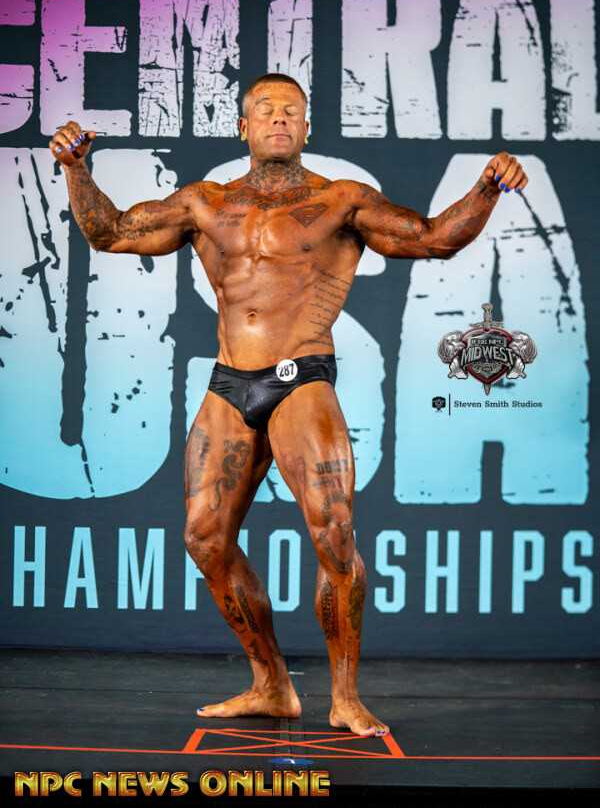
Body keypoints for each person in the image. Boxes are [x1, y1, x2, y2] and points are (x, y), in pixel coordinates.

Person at [49, 73, 527, 737]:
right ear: (244, 126)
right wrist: (76, 168)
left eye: (291, 111)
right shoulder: (204, 202)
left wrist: (488, 186)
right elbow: (111, 232)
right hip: (228, 384)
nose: (279, 118)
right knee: (204, 539)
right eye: (266, 110)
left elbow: (433, 237)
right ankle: (271, 684)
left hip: (301, 377)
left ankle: (346, 697)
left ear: (306, 127)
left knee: (334, 533)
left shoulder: (342, 200)